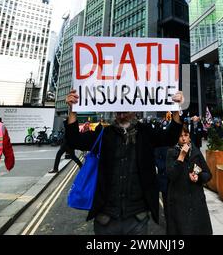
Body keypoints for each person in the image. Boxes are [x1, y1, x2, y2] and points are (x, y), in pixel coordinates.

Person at [64, 89, 185, 235]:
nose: (121, 115)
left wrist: (176, 109)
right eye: (118, 111)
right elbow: (74, 140)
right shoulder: (104, 134)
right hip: (106, 218)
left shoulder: (146, 133)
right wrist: (72, 110)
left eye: (125, 110)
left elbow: (170, 138)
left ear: (135, 110)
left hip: (137, 217)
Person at [166, 125, 213, 235]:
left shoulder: (196, 152)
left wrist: (198, 175)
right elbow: (171, 175)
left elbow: (208, 174)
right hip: (179, 204)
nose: (183, 138)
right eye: (180, 136)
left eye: (186, 135)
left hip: (196, 203)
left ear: (189, 137)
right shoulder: (171, 152)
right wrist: (181, 157)